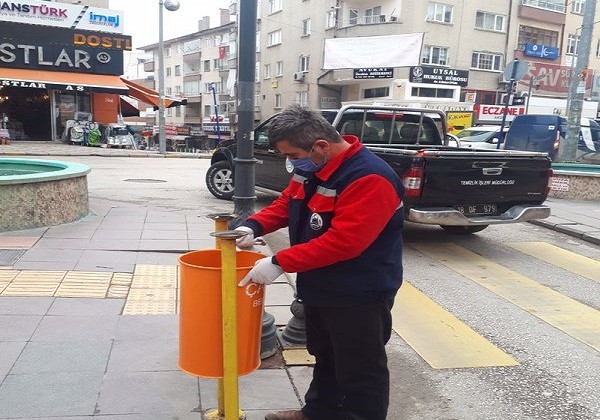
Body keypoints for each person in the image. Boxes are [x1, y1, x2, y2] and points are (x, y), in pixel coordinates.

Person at [236, 104, 405, 420]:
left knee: (360, 368)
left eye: (292, 155)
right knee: (325, 355)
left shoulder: (369, 177)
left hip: (359, 293)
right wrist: (254, 225)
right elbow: (288, 202)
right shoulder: (311, 166)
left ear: (322, 146)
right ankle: (317, 412)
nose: (291, 162)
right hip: (321, 284)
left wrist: (279, 262)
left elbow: (346, 242)